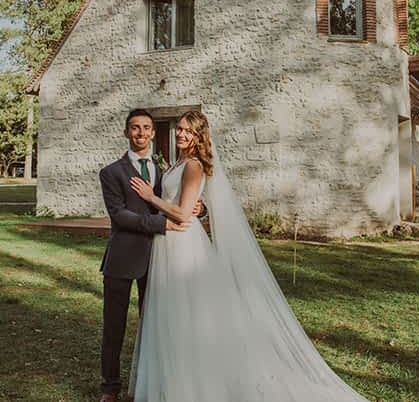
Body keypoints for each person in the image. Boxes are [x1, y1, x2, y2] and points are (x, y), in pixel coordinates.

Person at [127, 109, 368, 402]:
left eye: (188, 131)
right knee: (169, 315)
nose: (180, 134)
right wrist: (191, 205)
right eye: (179, 128)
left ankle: (194, 386)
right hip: (166, 244)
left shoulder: (193, 165)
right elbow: (184, 204)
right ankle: (169, 382)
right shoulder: (177, 162)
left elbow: (181, 214)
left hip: (183, 246)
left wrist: (151, 198)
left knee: (188, 315)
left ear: (199, 135)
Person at [98, 108, 203, 402]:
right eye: (134, 128)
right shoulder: (111, 172)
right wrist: (163, 224)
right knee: (114, 326)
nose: (141, 133)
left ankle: (151, 383)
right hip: (122, 257)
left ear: (154, 133)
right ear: (126, 132)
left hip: (159, 260)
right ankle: (110, 387)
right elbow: (119, 216)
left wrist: (199, 207)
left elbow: (178, 197)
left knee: (155, 325)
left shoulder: (165, 166)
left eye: (146, 128)